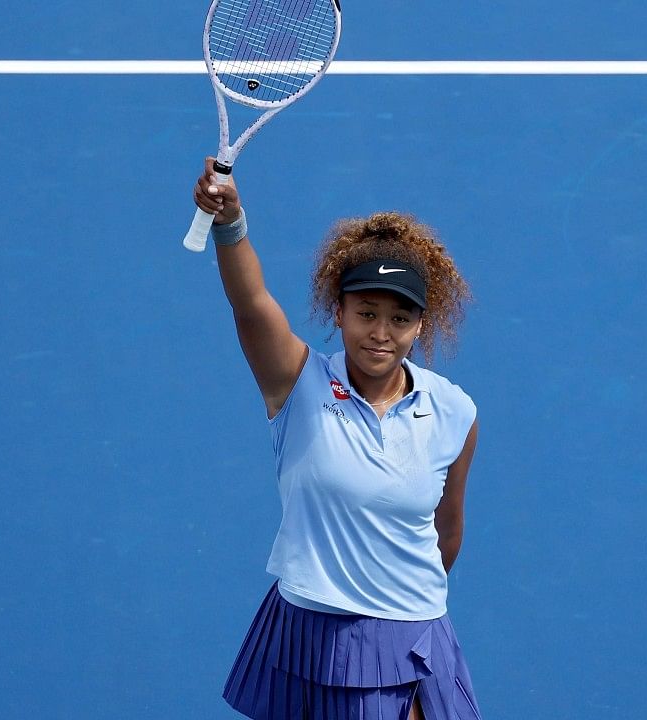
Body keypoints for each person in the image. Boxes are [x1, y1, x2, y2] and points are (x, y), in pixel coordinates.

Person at [191, 157, 483, 720]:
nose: (381, 333)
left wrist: (387, 597)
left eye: (399, 319)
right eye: (366, 313)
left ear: (421, 324)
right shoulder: (297, 385)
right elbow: (250, 304)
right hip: (308, 634)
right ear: (340, 310)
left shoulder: (454, 410)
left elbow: (448, 533)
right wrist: (230, 224)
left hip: (411, 634)